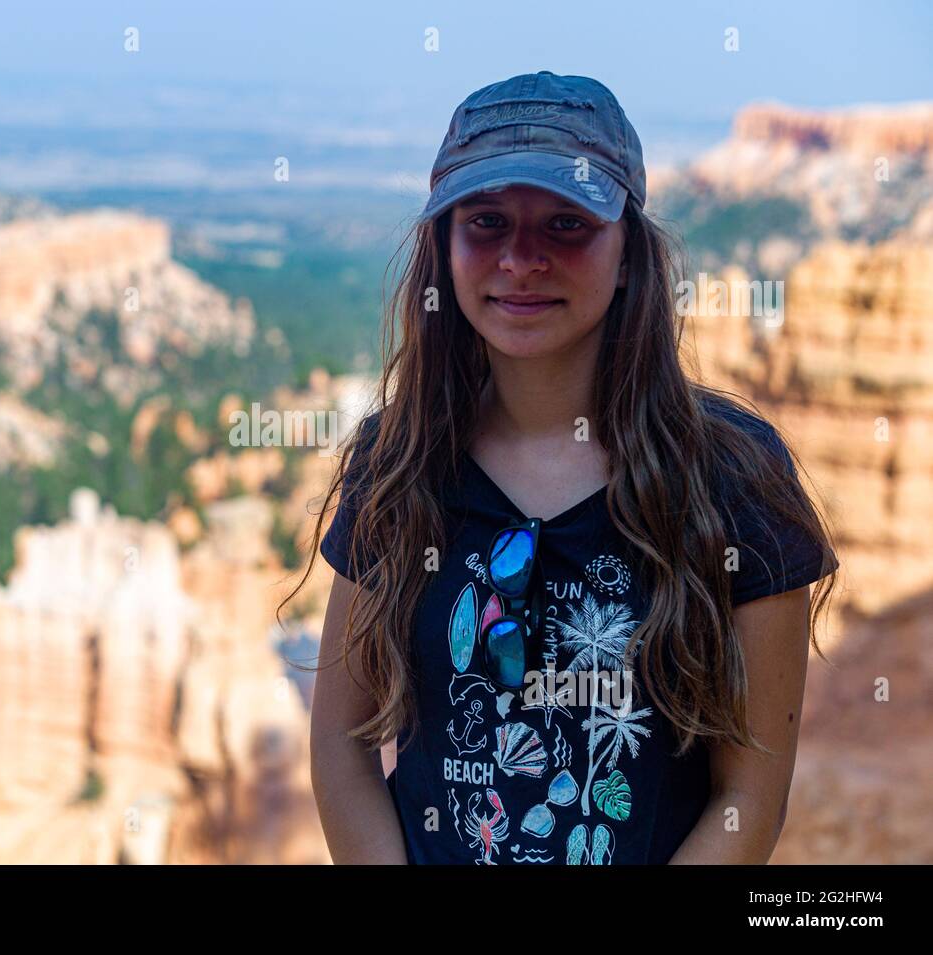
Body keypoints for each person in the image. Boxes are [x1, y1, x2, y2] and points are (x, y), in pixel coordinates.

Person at [284, 71, 840, 865]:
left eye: (566, 225)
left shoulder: (735, 480)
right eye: (486, 222)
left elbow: (748, 795)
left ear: (627, 257)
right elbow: (340, 745)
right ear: (444, 248)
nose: (520, 259)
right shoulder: (400, 462)